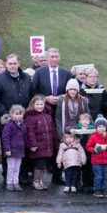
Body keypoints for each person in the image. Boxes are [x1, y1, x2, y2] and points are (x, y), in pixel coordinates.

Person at [32, 48, 73, 184]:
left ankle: (57, 175)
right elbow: (34, 91)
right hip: (44, 111)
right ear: (47, 58)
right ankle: (39, 176)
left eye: (56, 56)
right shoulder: (39, 72)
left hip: (61, 112)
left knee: (59, 142)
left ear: (59, 57)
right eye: (52, 56)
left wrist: (61, 97)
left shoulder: (66, 73)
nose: (54, 59)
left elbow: (70, 92)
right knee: (44, 142)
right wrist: (45, 98)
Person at [0, 54, 33, 175]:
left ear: (18, 64)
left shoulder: (26, 78)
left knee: (22, 146)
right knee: (7, 147)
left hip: (23, 120)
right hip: (6, 120)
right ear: (6, 65)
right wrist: (7, 114)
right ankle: (7, 175)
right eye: (10, 64)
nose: (12, 66)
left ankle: (22, 175)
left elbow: (31, 96)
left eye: (14, 63)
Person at [25, 95, 57, 190]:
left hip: (47, 145)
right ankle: (35, 181)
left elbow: (52, 130)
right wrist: (33, 144)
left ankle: (41, 181)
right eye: (37, 104)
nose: (39, 106)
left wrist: (55, 142)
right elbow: (30, 132)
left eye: (41, 104)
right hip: (37, 145)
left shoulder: (48, 116)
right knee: (39, 164)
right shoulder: (30, 117)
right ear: (33, 105)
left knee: (44, 164)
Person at [86, 115, 107, 198]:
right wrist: (94, 150)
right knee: (98, 176)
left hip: (106, 160)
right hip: (96, 161)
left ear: (105, 127)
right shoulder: (93, 137)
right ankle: (97, 190)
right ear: (96, 127)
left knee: (105, 176)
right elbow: (88, 147)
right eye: (99, 127)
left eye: (103, 126)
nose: (101, 128)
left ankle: (104, 189)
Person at [2, 105, 27, 191]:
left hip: (20, 150)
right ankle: (9, 183)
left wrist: (27, 146)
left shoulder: (23, 124)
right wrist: (7, 149)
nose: (18, 115)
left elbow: (25, 137)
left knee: (17, 167)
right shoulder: (9, 125)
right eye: (16, 113)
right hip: (11, 150)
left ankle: (16, 182)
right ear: (11, 114)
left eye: (20, 114)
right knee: (11, 167)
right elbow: (5, 138)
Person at [76, 113, 95, 193]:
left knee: (91, 169)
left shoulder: (93, 129)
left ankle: (91, 185)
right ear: (79, 121)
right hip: (81, 151)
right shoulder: (77, 129)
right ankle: (85, 185)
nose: (85, 121)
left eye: (87, 120)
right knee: (84, 169)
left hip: (90, 152)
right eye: (83, 120)